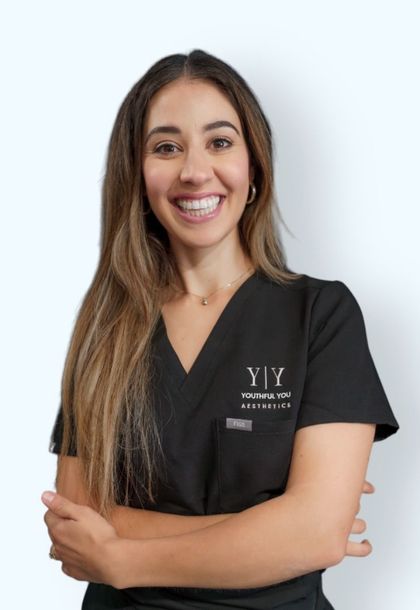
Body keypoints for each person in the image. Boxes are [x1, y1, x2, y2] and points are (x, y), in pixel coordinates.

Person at [42, 49, 400, 610]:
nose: (193, 170)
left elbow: (316, 533)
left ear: (253, 166)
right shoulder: (107, 327)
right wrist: (272, 531)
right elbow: (76, 517)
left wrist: (121, 558)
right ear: (137, 176)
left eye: (220, 142)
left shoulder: (321, 315)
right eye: (166, 147)